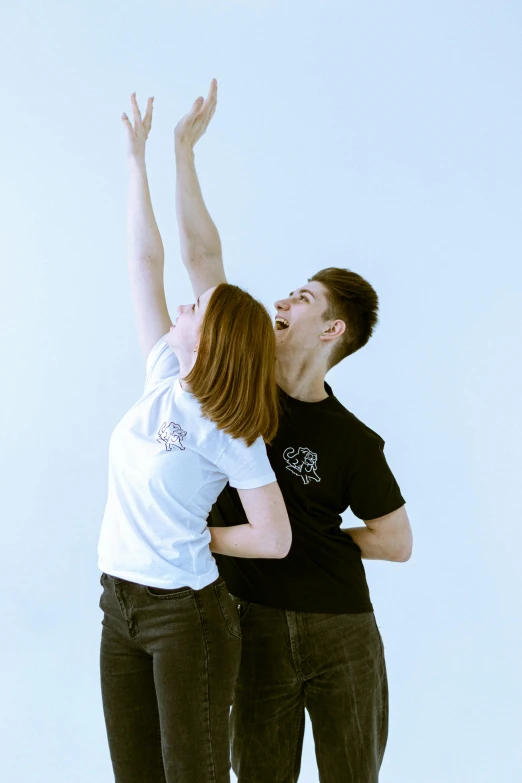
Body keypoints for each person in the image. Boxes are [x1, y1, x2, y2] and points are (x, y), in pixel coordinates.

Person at [173, 79, 413, 783]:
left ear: (332, 330)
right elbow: (200, 257)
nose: (281, 298)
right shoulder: (240, 382)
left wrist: (307, 539)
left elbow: (396, 542)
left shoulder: (353, 440)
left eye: (302, 298)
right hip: (255, 626)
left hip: (344, 631)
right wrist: (184, 152)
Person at [97, 92, 292, 783]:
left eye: (197, 305)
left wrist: (203, 538)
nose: (185, 300)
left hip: (187, 620)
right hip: (117, 604)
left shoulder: (229, 426)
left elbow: (274, 537)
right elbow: (145, 264)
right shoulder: (162, 373)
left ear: (210, 343)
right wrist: (139, 158)